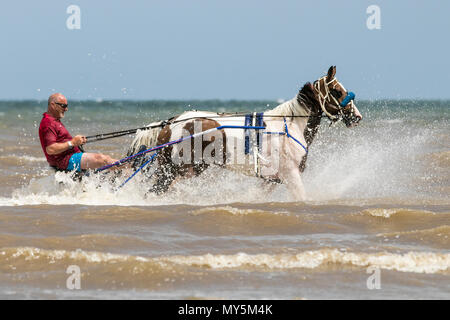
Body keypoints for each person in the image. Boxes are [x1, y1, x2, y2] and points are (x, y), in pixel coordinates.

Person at [39, 93, 118, 172]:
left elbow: (62, 141)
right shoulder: (48, 123)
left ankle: (126, 170)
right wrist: (72, 143)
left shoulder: (54, 121)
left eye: (67, 106)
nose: (66, 109)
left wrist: (77, 142)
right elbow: (50, 149)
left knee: (109, 162)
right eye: (63, 106)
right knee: (103, 160)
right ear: (53, 105)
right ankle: (128, 166)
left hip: (71, 157)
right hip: (66, 160)